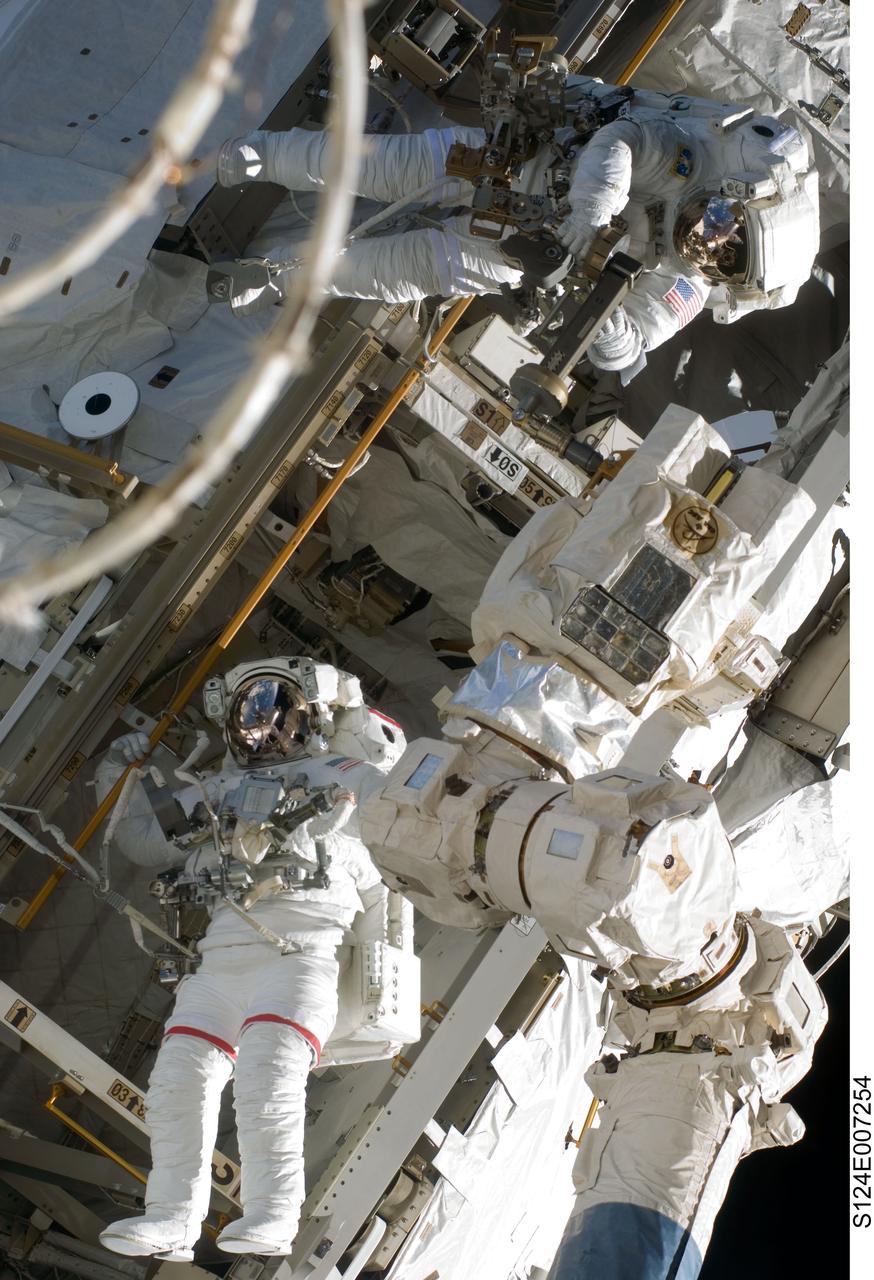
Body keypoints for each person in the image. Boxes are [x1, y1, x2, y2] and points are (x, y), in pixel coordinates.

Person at [96, 658, 406, 1260]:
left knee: (268, 1073)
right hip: (222, 958)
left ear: (309, 716)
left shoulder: (342, 772)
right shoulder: (217, 788)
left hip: (302, 953)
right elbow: (139, 839)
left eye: (274, 711)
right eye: (249, 713)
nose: (261, 728)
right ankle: (172, 1219)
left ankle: (274, 1216)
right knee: (177, 1080)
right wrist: (119, 771)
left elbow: (399, 819)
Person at [213, 75, 820, 377]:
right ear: (737, 199)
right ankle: (259, 155)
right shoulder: (696, 166)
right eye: (724, 221)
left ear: (725, 278)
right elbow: (627, 137)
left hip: (518, 250)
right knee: (380, 167)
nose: (710, 238)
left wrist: (602, 318)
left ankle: (272, 278)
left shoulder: (687, 281)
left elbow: (632, 346)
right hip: (525, 159)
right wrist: (591, 212)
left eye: (722, 254)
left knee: (393, 273)